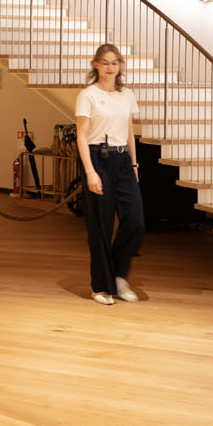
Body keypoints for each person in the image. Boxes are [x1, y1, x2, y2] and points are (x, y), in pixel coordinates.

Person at [75, 43, 145, 305]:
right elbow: (82, 136)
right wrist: (90, 172)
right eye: (105, 62)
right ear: (96, 65)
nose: (110, 67)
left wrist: (134, 165)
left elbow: (129, 133)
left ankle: (117, 274)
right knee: (100, 226)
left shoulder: (126, 95)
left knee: (136, 221)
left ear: (120, 66)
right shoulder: (88, 95)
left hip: (123, 160)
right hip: (97, 159)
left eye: (114, 62)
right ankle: (100, 287)